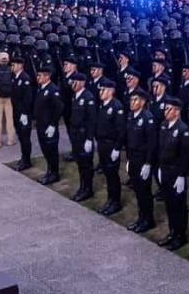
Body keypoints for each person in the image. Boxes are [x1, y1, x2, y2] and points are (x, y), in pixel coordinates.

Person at [156, 97, 189, 250]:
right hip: (165, 170)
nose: (166, 112)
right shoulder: (164, 125)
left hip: (176, 173)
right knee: (169, 203)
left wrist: (182, 175)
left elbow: (186, 155)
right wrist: (159, 167)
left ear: (177, 112)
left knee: (179, 206)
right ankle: (172, 231)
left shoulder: (183, 130)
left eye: (169, 109)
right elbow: (161, 148)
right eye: (165, 109)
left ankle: (180, 235)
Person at [125, 88, 158, 234]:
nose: (132, 102)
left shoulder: (147, 118)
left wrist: (148, 163)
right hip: (133, 158)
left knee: (144, 191)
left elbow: (152, 143)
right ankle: (141, 217)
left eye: (135, 100)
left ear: (143, 102)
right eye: (131, 100)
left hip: (143, 160)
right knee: (138, 190)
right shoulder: (131, 116)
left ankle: (148, 220)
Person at [94, 78, 126, 216]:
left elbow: (121, 130)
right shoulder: (103, 105)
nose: (100, 92)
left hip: (111, 145)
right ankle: (110, 199)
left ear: (111, 91)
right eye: (100, 90)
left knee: (113, 175)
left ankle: (116, 202)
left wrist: (117, 148)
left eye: (103, 90)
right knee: (107, 173)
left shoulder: (116, 106)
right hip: (102, 144)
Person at [68, 72, 97, 202]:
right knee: (80, 163)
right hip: (76, 135)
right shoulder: (75, 96)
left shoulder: (88, 97)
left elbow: (92, 120)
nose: (73, 84)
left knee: (86, 165)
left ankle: (87, 189)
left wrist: (89, 139)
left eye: (76, 82)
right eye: (72, 81)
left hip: (84, 135)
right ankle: (82, 187)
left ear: (82, 83)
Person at [33, 65, 63, 184]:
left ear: (47, 76)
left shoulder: (53, 89)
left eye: (40, 75)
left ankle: (54, 174)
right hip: (41, 125)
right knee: (45, 150)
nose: (38, 77)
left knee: (52, 151)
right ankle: (49, 171)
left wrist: (53, 124)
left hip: (49, 126)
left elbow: (59, 108)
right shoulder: (41, 88)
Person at [10, 56, 34, 171]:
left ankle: (27, 160)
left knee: (25, 137)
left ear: (20, 66)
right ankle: (23, 157)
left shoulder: (25, 78)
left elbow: (27, 98)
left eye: (14, 65)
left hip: (23, 113)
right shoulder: (15, 77)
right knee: (21, 136)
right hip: (16, 112)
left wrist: (25, 113)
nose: (12, 67)